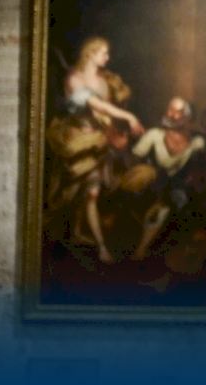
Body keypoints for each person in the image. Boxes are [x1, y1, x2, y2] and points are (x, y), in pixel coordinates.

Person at [44, 36, 144, 263]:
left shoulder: (104, 82)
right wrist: (129, 116)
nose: (107, 57)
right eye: (103, 53)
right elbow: (97, 106)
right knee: (73, 195)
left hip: (98, 142)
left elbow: (104, 115)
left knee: (91, 194)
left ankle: (100, 246)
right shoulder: (74, 79)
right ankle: (78, 234)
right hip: (77, 143)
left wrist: (115, 135)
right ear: (90, 53)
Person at [124, 96, 206, 261]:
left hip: (177, 190)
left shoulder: (197, 142)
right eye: (170, 109)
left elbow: (198, 172)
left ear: (189, 117)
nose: (171, 114)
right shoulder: (154, 135)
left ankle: (145, 249)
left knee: (176, 200)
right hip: (152, 185)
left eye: (178, 112)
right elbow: (132, 162)